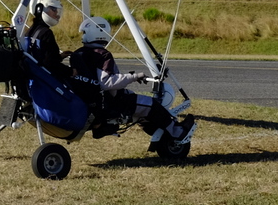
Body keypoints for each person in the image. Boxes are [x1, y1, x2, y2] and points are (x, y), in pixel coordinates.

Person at [69, 15, 193, 144]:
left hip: (92, 101)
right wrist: (134, 77)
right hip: (109, 102)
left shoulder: (77, 54)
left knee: (136, 101)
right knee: (152, 105)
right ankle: (178, 133)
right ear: (102, 32)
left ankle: (161, 137)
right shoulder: (103, 54)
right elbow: (106, 83)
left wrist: (129, 76)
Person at [21, 0, 69, 78]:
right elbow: (50, 64)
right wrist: (70, 71)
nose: (56, 13)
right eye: (53, 9)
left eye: (57, 10)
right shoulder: (46, 33)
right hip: (44, 78)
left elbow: (41, 57)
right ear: (40, 9)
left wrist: (60, 56)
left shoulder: (30, 31)